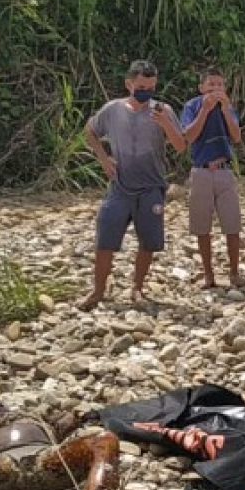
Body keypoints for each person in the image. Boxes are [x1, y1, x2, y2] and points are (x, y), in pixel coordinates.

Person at [78, 60, 186, 310]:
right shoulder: (113, 110)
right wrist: (104, 158)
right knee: (105, 238)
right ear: (129, 84)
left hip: (151, 186)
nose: (146, 91)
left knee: (148, 242)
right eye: (141, 86)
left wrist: (166, 125)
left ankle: (137, 288)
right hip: (120, 185)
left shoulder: (163, 110)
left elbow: (181, 147)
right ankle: (97, 291)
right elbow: (90, 131)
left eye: (151, 86)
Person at [181, 67, 245, 289]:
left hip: (225, 171)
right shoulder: (192, 106)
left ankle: (234, 272)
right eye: (211, 85)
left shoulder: (227, 107)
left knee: (232, 224)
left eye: (220, 85)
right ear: (201, 88)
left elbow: (236, 137)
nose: (216, 89)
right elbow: (188, 136)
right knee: (202, 227)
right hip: (201, 171)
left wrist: (226, 110)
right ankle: (208, 274)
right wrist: (205, 111)